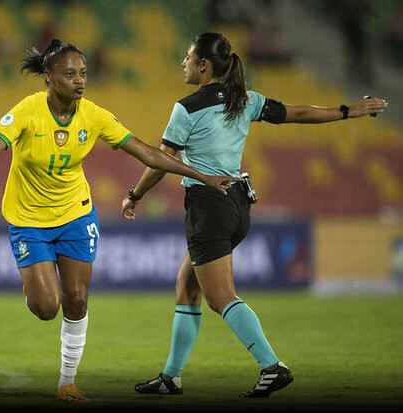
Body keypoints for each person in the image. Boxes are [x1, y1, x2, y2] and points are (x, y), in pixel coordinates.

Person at [0, 38, 238, 403]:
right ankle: (34, 289)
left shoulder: (94, 114)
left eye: (83, 73)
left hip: (75, 214)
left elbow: (147, 152)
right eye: (70, 74)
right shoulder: (26, 111)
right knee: (47, 308)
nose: (80, 81)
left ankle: (66, 383)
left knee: (78, 299)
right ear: (49, 77)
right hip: (28, 218)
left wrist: (203, 175)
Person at [122, 33, 387, 398]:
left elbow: (161, 161)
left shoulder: (187, 107)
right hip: (238, 206)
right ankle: (171, 377)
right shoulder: (244, 99)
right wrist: (346, 111)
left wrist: (133, 195)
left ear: (204, 65)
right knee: (186, 288)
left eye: (188, 57)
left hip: (207, 207)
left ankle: (271, 365)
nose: (183, 63)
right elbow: (297, 113)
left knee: (221, 298)